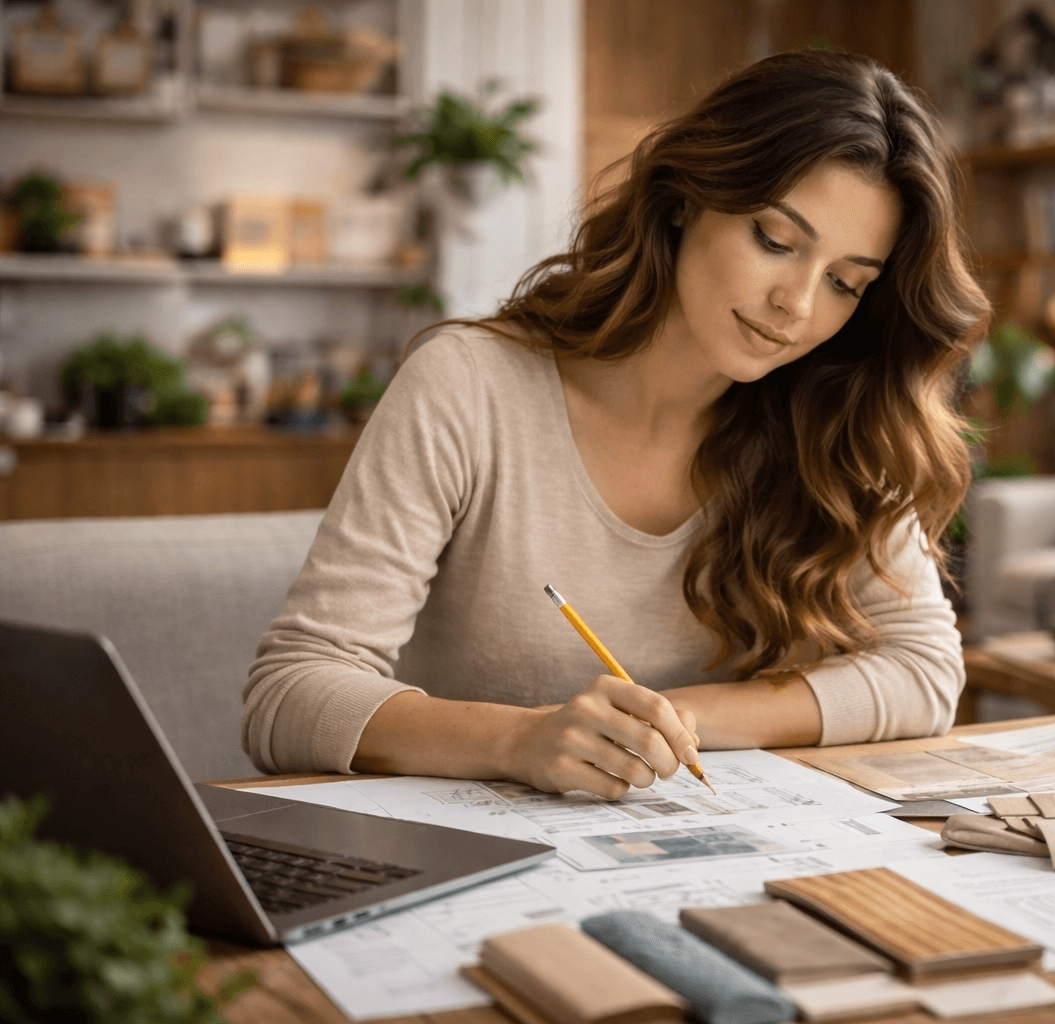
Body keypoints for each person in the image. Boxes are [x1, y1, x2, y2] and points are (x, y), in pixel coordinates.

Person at [242, 50, 989, 798]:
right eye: (774, 241)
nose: (796, 305)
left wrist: (677, 722)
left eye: (844, 282)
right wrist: (521, 739)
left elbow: (925, 672)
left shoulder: (837, 419)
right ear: (684, 199)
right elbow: (292, 695)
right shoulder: (468, 387)